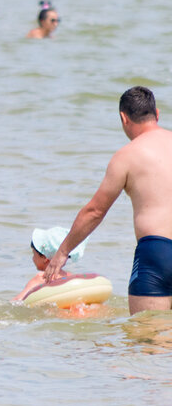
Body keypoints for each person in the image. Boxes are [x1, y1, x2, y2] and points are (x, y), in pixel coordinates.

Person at [44, 87, 172, 314]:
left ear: (124, 118)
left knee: (149, 340)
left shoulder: (128, 155)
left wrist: (62, 252)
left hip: (157, 253)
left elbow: (95, 211)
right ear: (157, 114)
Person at [13, 227, 88, 303]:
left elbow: (18, 301)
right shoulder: (70, 277)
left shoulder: (41, 278)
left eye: (33, 253)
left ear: (45, 257)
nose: (33, 258)